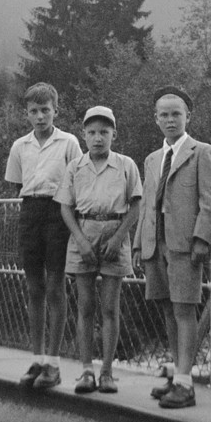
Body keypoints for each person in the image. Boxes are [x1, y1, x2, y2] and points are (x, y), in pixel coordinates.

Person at [133, 86, 211, 409]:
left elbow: (209, 202)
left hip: (185, 244)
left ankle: (186, 382)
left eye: (176, 114)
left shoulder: (201, 152)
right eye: (164, 115)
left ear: (188, 116)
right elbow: (145, 205)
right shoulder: (153, 159)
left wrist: (201, 239)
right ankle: (176, 374)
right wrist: (140, 243)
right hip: (156, 244)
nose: (170, 120)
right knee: (167, 307)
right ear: (156, 119)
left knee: (185, 308)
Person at [55, 106, 142, 394]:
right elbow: (66, 206)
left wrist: (119, 237)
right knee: (85, 306)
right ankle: (85, 371)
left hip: (115, 231)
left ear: (114, 134)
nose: (98, 138)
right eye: (92, 132)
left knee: (110, 307)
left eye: (104, 132)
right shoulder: (75, 166)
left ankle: (106, 372)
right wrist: (79, 239)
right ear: (83, 135)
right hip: (84, 231)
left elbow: (136, 204)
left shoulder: (126, 164)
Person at [5, 82, 82, 389]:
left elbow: (78, 181)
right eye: (34, 111)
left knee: (55, 286)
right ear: (27, 113)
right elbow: (16, 185)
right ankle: (37, 359)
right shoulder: (19, 146)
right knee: (34, 287)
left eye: (45, 110)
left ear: (56, 111)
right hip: (30, 212)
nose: (40, 117)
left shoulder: (69, 142)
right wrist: (29, 210)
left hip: (57, 213)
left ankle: (53, 362)